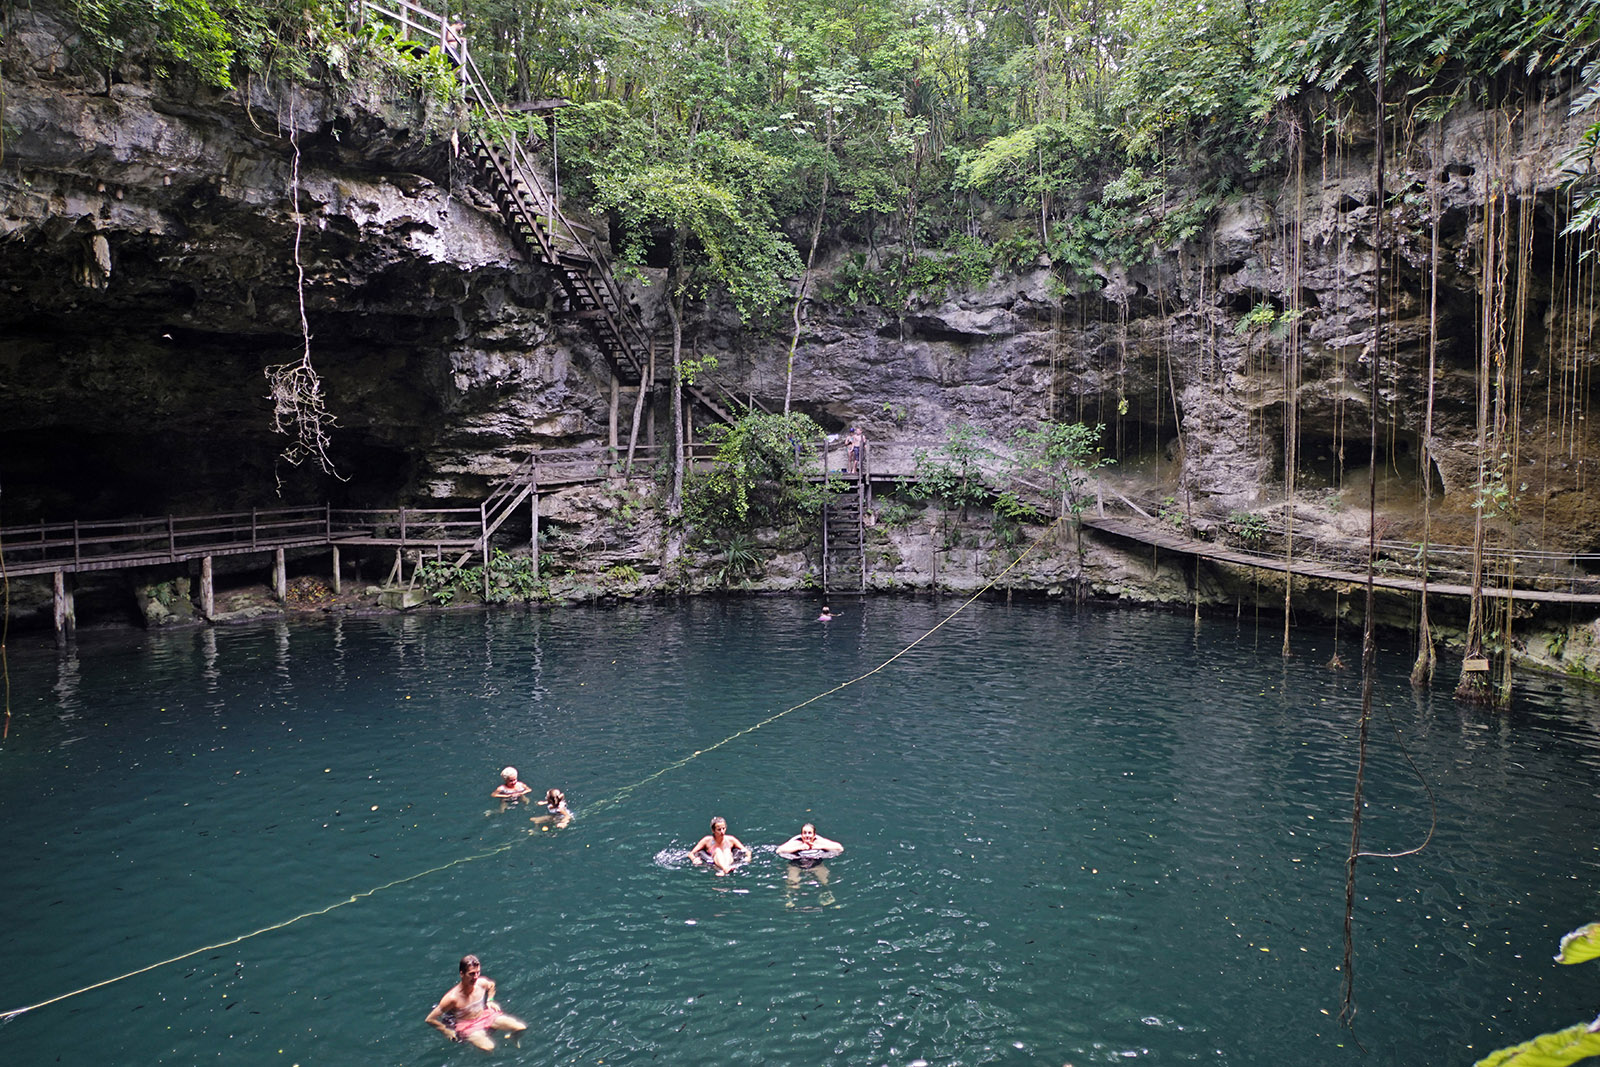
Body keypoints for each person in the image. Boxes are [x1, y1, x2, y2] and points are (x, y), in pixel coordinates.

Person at [425, 954, 527, 1051]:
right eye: (471, 974)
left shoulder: (481, 983)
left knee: (520, 1028)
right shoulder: (452, 998)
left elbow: (491, 985)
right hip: (467, 1025)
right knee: (489, 1047)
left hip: (485, 1016)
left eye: (478, 972)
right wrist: (445, 1030)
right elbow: (430, 1019)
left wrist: (490, 1000)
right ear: (462, 974)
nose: (475, 977)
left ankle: (513, 1038)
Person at [777, 823, 843, 902]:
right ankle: (789, 898)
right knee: (793, 883)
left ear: (814, 834)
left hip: (816, 864)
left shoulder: (819, 842)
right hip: (796, 864)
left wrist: (820, 847)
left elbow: (839, 848)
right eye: (804, 833)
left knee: (824, 880)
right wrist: (799, 848)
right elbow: (779, 850)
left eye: (809, 833)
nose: (807, 835)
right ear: (802, 834)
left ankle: (826, 893)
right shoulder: (797, 842)